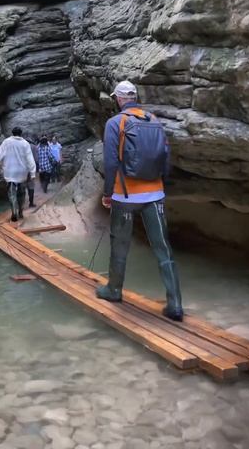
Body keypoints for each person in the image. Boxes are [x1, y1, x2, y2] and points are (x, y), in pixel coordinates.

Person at [96, 80, 183, 322]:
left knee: (120, 245)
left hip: (125, 195)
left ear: (119, 99)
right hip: (155, 195)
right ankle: (175, 304)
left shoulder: (115, 123)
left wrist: (106, 193)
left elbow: (112, 162)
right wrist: (161, 183)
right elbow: (166, 155)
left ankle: (114, 290)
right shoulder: (154, 121)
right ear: (135, 96)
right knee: (163, 248)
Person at [0, 127, 36, 221]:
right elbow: (30, 159)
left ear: (12, 133)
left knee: (12, 193)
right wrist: (33, 173)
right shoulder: (25, 143)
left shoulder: (7, 142)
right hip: (22, 172)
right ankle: (20, 212)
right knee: (21, 193)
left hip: (10, 172)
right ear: (21, 134)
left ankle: (14, 212)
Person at [26, 137, 39, 207]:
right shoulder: (34, 147)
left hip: (22, 170)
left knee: (22, 186)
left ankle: (20, 206)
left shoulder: (22, 147)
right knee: (31, 186)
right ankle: (31, 203)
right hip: (31, 169)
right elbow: (36, 159)